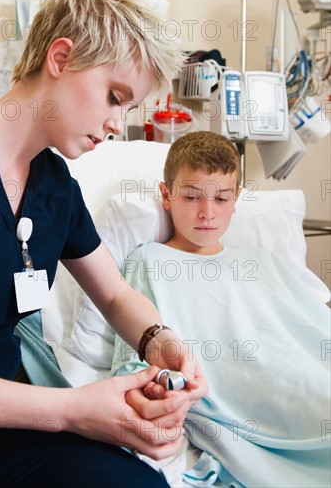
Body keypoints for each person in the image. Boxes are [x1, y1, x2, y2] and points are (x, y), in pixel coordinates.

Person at [0, 0, 208, 486]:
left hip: (2, 433)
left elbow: (116, 294)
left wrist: (160, 341)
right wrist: (71, 410)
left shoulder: (55, 186)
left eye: (130, 107)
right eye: (115, 96)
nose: (119, 123)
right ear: (61, 58)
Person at [112, 131, 331, 487]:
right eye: (191, 196)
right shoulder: (148, 260)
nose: (207, 213)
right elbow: (132, 349)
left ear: (237, 199)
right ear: (166, 195)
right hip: (237, 390)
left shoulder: (262, 261)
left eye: (221, 199)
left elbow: (312, 321)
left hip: (299, 366)